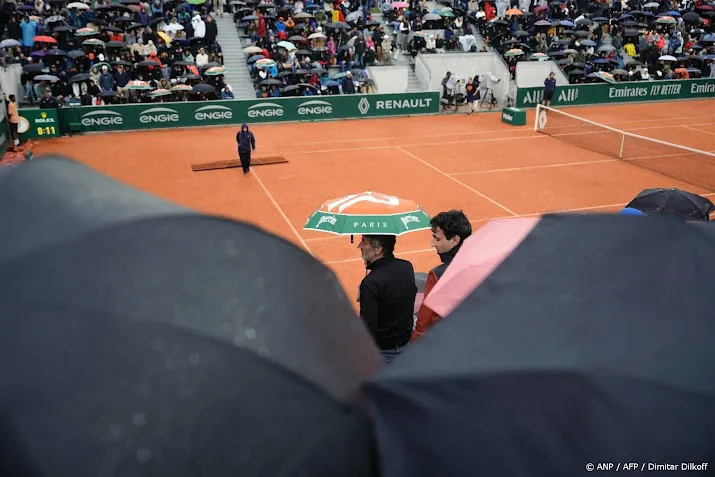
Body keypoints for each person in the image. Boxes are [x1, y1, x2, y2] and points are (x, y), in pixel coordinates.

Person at [412, 210, 472, 342]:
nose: (433, 244)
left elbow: (425, 322)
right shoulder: (485, 266)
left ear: (455, 240)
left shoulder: (437, 276)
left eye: (437, 238)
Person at [357, 234, 417, 362]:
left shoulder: (370, 283)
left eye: (364, 242)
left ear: (378, 249)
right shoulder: (407, 266)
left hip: (384, 353)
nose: (359, 246)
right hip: (407, 345)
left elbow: (368, 328)